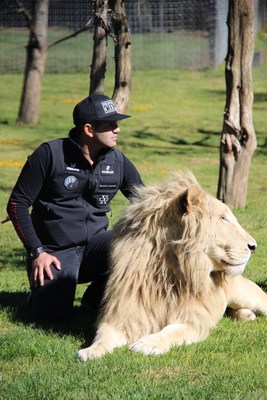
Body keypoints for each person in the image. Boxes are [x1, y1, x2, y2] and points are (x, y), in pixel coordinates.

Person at [7, 94, 143, 320]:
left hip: (96, 247)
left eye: (117, 123)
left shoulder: (118, 161)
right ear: (89, 129)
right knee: (53, 318)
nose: (117, 129)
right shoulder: (49, 154)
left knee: (133, 243)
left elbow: (144, 204)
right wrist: (37, 252)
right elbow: (17, 204)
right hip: (55, 252)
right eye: (110, 124)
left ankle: (94, 300)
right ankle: (41, 295)